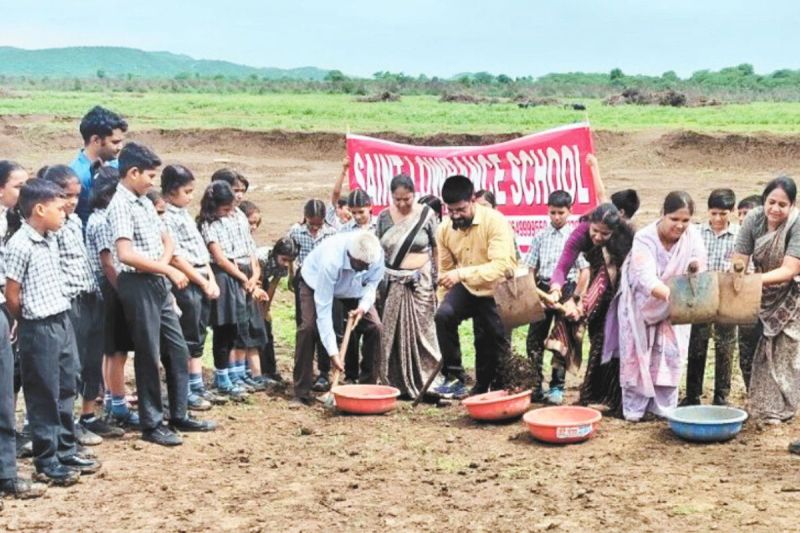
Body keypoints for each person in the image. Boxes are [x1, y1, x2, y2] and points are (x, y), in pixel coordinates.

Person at [107, 142, 216, 447]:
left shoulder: (143, 201)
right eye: (150, 176)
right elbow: (125, 254)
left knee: (177, 348)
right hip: (139, 283)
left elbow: (165, 237)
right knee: (148, 354)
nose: (153, 182)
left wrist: (163, 264)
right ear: (133, 172)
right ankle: (152, 422)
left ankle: (178, 413)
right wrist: (166, 268)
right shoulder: (121, 205)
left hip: (156, 280)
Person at [5, 179, 101, 484]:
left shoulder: (50, 238)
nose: (65, 212)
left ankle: (65, 447)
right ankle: (46, 460)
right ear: (40, 209)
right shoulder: (20, 244)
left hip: (61, 319)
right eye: (59, 208)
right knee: (43, 393)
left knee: (66, 385)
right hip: (39, 326)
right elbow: (12, 295)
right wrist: (28, 321)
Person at [39, 165, 122, 445]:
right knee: (69, 366)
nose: (72, 201)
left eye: (76, 195)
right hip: (70, 301)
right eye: (66, 195)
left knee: (90, 359)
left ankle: (88, 416)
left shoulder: (74, 222)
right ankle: (67, 423)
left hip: (90, 296)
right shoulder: (51, 228)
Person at [615, 192, 707, 421]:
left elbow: (698, 263)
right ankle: (635, 411)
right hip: (641, 305)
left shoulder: (692, 236)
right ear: (663, 215)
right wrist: (671, 296)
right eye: (674, 219)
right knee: (638, 354)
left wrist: (694, 268)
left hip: (675, 306)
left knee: (671, 355)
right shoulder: (645, 238)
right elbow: (646, 279)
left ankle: (664, 411)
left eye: (685, 220)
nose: (680, 225)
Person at [433, 175, 517, 398]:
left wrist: (460, 274)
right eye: (451, 210)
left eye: (460, 209)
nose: (455, 215)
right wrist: (444, 299)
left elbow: (501, 266)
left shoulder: (495, 221)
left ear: (472, 200)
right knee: (443, 316)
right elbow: (445, 271)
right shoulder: (444, 229)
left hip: (496, 289)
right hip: (468, 288)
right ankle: (454, 377)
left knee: (493, 339)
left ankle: (497, 388)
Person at [547, 203, 635, 416]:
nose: (597, 237)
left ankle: (616, 399)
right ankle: (594, 394)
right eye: (594, 231)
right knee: (597, 338)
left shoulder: (627, 238)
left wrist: (583, 306)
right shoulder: (580, 232)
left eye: (604, 234)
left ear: (614, 232)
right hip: (598, 287)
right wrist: (556, 288)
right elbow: (563, 265)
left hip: (623, 290)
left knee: (614, 342)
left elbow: (614, 276)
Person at [731, 177, 800, 426]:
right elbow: (739, 258)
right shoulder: (754, 219)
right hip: (756, 292)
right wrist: (739, 278)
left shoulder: (797, 223)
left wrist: (753, 281)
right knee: (749, 348)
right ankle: (758, 403)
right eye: (771, 202)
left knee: (785, 353)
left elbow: (790, 269)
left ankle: (782, 407)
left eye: (783, 204)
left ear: (792, 205)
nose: (776, 209)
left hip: (790, 297)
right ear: (764, 201)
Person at [292, 231, 384, 406]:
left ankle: (366, 388)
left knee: (375, 327)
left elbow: (372, 284)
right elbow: (324, 310)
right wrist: (333, 353)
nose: (365, 269)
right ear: (350, 256)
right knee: (308, 328)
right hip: (315, 284)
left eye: (368, 266)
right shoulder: (331, 260)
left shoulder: (376, 255)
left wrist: (363, 307)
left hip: (355, 291)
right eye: (361, 265)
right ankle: (301, 392)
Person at [0, 163, 46, 499]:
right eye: (18, 186)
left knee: (4, 395)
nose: (24, 191)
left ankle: (6, 472)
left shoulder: (8, 220)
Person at [161, 165, 222, 411]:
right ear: (172, 190)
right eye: (186, 191)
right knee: (185, 337)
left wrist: (211, 279)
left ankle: (195, 384)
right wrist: (202, 280)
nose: (190, 196)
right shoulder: (165, 216)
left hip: (201, 276)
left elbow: (200, 251)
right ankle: (183, 389)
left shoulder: (183, 213)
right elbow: (175, 257)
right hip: (186, 280)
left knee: (198, 334)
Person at [375, 175, 441, 399]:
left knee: (424, 333)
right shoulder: (384, 217)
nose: (402, 204)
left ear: (414, 194)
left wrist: (436, 278)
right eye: (397, 199)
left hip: (420, 283)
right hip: (393, 282)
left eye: (407, 199)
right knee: (393, 333)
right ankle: (397, 382)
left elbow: (436, 247)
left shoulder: (426, 215)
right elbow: (377, 251)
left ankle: (428, 383)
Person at [84, 168, 139, 428]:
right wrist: (124, 290)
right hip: (111, 286)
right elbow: (108, 263)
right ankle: (117, 403)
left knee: (112, 350)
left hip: (108, 286)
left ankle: (112, 398)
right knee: (116, 350)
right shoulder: (103, 220)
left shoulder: (97, 218)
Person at [524, 190, 589, 405]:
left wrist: (576, 298)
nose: (556, 217)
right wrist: (533, 292)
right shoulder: (540, 236)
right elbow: (531, 267)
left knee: (561, 341)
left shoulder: (575, 238)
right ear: (547, 211)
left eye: (561, 212)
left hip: (567, 291)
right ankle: (534, 385)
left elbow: (584, 271)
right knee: (534, 339)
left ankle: (557, 387)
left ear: (570, 211)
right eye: (552, 212)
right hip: (542, 290)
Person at [682, 189, 738, 406]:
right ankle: (692, 395)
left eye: (723, 214)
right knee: (696, 346)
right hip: (699, 296)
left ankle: (721, 396)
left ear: (731, 211)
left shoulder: (739, 235)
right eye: (714, 213)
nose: (717, 218)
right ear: (708, 211)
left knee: (725, 347)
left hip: (727, 298)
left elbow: (745, 265)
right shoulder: (695, 232)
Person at [288, 199, 337, 391]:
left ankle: (324, 372)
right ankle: (304, 376)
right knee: (306, 326)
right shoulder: (296, 232)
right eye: (312, 224)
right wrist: (292, 277)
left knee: (326, 325)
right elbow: (291, 256)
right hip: (305, 280)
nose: (315, 228)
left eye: (319, 224)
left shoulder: (332, 233)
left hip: (326, 282)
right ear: (305, 218)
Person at [69, 106, 128, 225]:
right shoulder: (77, 175)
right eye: (115, 142)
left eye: (121, 141)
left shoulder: (117, 164)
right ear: (96, 140)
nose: (120, 147)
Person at [256, 237, 298, 385]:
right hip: (252, 281)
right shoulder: (261, 258)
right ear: (276, 253)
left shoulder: (283, 266)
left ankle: (270, 369)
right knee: (256, 327)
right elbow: (258, 281)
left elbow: (272, 286)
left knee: (266, 327)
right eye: (284, 259)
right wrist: (258, 311)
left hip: (264, 285)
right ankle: (256, 370)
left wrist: (265, 310)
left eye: (290, 261)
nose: (286, 263)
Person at [735, 193, 762, 391]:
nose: (744, 218)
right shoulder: (741, 240)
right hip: (745, 303)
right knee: (746, 352)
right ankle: (751, 392)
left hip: (771, 302)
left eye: (749, 214)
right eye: (742, 213)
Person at [325, 156, 353, 230]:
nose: (351, 214)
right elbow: (336, 193)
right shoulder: (332, 220)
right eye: (348, 210)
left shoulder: (353, 224)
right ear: (338, 208)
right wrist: (344, 170)